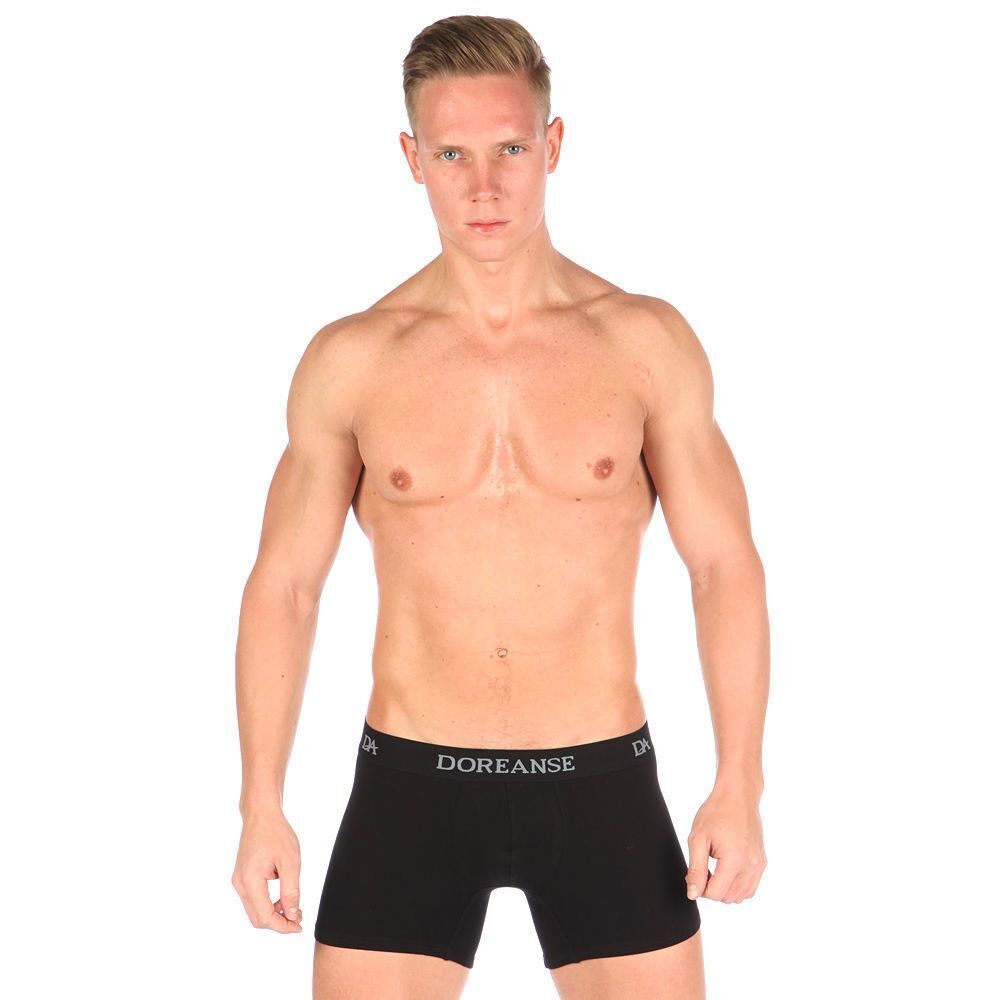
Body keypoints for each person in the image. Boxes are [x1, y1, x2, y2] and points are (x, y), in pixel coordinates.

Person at [231, 14, 769, 1000]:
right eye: (452, 155)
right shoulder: (354, 361)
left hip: (601, 782)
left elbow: (722, 565)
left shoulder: (642, 345)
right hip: (410, 787)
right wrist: (259, 803)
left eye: (510, 149)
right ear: (413, 159)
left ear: (552, 145)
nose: (483, 186)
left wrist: (740, 781)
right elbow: (287, 586)